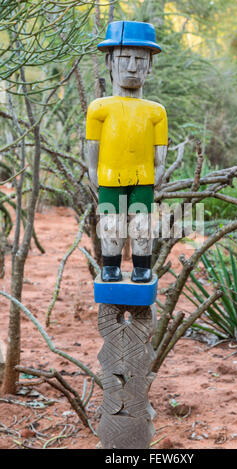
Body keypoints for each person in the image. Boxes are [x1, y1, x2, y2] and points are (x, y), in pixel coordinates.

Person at [86, 21, 168, 283]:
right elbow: (92, 147)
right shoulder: (99, 108)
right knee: (111, 223)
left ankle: (141, 266)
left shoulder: (156, 111)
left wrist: (159, 171)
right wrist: (92, 171)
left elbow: (160, 151)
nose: (132, 66)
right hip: (109, 177)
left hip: (143, 177)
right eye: (124, 58)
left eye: (140, 59)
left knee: (142, 224)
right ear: (110, 62)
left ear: (150, 65)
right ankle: (110, 266)